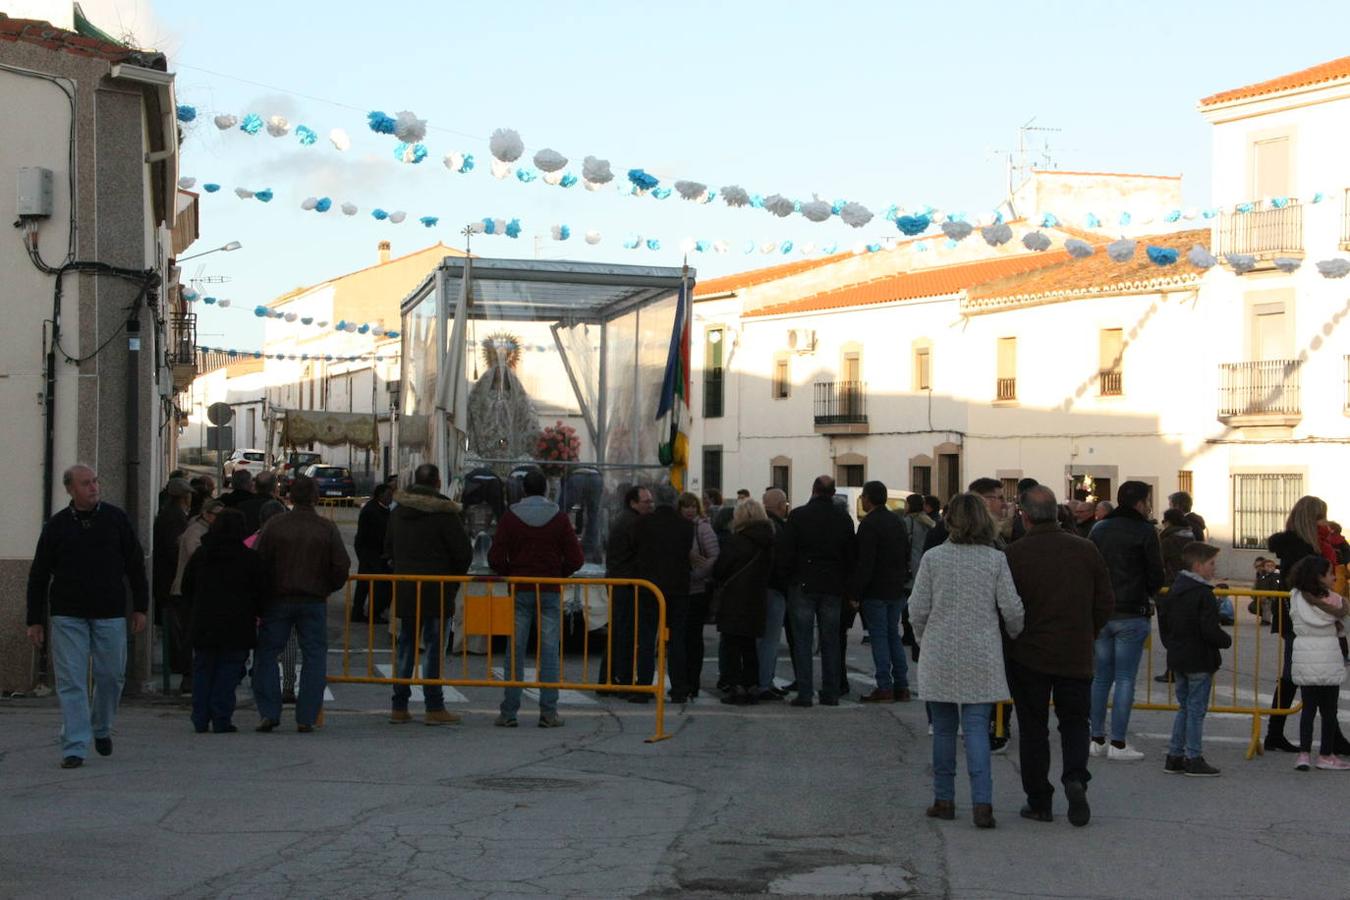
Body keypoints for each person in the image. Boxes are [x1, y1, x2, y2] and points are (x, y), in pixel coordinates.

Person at [910, 493, 1025, 829]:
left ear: (950, 521)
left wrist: (922, 638)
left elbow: (917, 609)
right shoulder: (994, 561)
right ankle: (982, 804)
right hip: (981, 652)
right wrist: (1014, 634)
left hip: (940, 651)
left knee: (944, 730)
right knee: (976, 729)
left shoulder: (933, 558)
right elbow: (1012, 608)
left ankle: (944, 799)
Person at [25, 465, 149, 769]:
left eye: (95, 481)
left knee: (110, 676)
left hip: (109, 612)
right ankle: (75, 746)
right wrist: (34, 619)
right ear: (70, 489)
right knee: (72, 681)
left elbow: (135, 565)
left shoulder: (115, 519)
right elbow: (39, 574)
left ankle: (102, 727)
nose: (93, 487)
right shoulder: (56, 526)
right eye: (86, 483)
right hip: (68, 613)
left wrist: (141, 607)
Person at [1005, 485, 1113, 826]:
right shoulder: (1086, 549)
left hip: (1028, 654)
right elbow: (1105, 602)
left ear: (1024, 515)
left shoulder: (1014, 554)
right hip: (1075, 652)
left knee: (1033, 728)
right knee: (1075, 723)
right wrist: (1088, 631)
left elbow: (1006, 606)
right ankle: (1075, 777)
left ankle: (1039, 800)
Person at [252, 475, 350, 733]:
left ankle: (269, 712)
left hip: (278, 599)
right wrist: (326, 587)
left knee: (267, 655)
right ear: (316, 497)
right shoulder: (325, 528)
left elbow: (259, 561)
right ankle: (306, 716)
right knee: (314, 657)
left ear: (289, 497)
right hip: (313, 600)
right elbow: (341, 566)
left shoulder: (275, 525)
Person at [489, 469, 584, 728]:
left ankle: (509, 712)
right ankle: (548, 712)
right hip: (550, 589)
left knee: (515, 650)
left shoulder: (510, 518)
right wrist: (559, 573)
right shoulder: (560, 518)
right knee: (550, 651)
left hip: (520, 588)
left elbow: (495, 558)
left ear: (523, 490)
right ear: (546, 490)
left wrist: (511, 573)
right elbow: (576, 558)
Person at [384, 464, 472, 726]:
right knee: (434, 647)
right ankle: (434, 706)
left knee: (406, 646)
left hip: (407, 587)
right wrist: (453, 580)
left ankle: (399, 706)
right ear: (438, 482)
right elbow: (463, 552)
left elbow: (387, 548)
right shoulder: (444, 513)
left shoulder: (398, 512)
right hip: (437, 588)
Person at [1265, 495, 1350, 755]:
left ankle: (1275, 733)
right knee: (1313, 677)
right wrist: (1333, 610)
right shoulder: (1302, 548)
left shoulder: (1308, 543)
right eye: (1321, 517)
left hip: (1304, 618)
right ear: (1312, 518)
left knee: (1297, 676)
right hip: (1305, 619)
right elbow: (1307, 585)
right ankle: (1330, 739)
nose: (1325, 521)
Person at [1088, 480, 1164, 761]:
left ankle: (1096, 738)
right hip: (1132, 612)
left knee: (1100, 678)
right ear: (1140, 503)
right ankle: (1118, 743)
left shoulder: (1100, 528)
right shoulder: (1146, 531)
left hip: (1102, 612)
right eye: (1148, 500)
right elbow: (1156, 575)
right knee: (1124, 680)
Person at [181, 508, 267, 734]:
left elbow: (186, 587)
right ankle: (221, 717)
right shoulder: (249, 558)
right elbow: (260, 592)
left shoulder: (202, 555)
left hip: (204, 622)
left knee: (203, 670)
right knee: (228, 672)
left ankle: (200, 717)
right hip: (237, 624)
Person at [778, 475, 856, 708]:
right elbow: (851, 555)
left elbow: (786, 551)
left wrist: (788, 578)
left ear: (813, 490)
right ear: (833, 493)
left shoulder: (799, 516)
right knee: (830, 640)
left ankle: (804, 692)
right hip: (832, 585)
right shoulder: (843, 519)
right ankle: (830, 692)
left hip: (803, 583)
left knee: (802, 640)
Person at [1158, 542, 1230, 777]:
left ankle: (1175, 755)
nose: (1214, 568)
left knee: (1185, 707)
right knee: (1196, 710)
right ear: (1198, 566)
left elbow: (1165, 624)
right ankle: (1193, 756)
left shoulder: (1175, 590)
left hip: (1178, 656)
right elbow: (1208, 629)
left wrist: (1173, 645)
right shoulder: (1203, 594)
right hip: (1199, 657)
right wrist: (1224, 640)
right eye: (1211, 564)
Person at [1286, 555, 1350, 771]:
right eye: (1330, 573)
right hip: (1328, 656)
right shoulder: (1335, 600)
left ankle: (1303, 754)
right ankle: (1326, 754)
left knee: (1308, 709)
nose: (1334, 577)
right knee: (1329, 711)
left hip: (1304, 656)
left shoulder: (1295, 597)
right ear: (1320, 577)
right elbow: (1343, 623)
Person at [634, 485, 695, 702]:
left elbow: (637, 550)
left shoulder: (643, 523)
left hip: (650, 586)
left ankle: (643, 687)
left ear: (656, 500)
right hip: (678, 587)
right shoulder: (687, 527)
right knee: (677, 639)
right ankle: (679, 688)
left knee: (647, 637)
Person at [853, 481, 911, 703]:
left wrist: (856, 593)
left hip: (876, 589)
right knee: (893, 635)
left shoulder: (869, 525)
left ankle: (884, 686)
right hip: (895, 588)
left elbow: (865, 562)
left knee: (879, 638)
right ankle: (902, 685)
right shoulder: (897, 522)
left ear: (869, 498)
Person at [712, 499, 774, 704]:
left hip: (734, 599)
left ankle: (736, 687)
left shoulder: (735, 541)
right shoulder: (769, 539)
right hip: (757, 599)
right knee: (749, 647)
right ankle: (752, 685)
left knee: (731, 646)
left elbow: (720, 570)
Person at [605, 485, 654, 693]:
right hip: (627, 584)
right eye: (646, 502)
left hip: (619, 581)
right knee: (625, 634)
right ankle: (622, 680)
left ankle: (608, 679)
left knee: (619, 632)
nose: (651, 505)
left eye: (651, 501)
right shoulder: (634, 523)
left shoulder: (624, 519)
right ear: (633, 503)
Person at [152, 477, 194, 695]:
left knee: (176, 627)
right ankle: (181, 666)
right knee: (178, 627)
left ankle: (180, 664)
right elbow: (175, 549)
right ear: (183, 497)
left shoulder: (169, 514)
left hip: (166, 579)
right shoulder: (174, 518)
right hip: (171, 581)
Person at [678, 492, 719, 699]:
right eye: (686, 506)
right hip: (680, 589)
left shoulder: (702, 527)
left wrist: (697, 574)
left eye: (693, 506)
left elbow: (713, 556)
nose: (690, 510)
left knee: (693, 638)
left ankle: (692, 682)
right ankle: (681, 680)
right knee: (680, 638)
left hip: (698, 589)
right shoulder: (678, 527)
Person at [756, 488, 793, 701]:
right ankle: (765, 682)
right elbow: (782, 562)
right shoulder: (778, 528)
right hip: (775, 589)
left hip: (759, 588)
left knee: (762, 639)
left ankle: (764, 680)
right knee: (770, 640)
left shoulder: (757, 525)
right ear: (781, 506)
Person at [352, 484, 394, 623]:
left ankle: (362, 612)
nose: (391, 498)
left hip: (374, 553)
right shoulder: (371, 511)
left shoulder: (383, 510)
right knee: (374, 585)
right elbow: (368, 535)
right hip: (371, 553)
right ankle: (371, 614)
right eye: (388, 495)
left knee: (367, 585)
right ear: (380, 495)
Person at [899, 494, 934, 656]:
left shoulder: (909, 522)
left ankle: (909, 634)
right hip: (926, 564)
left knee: (909, 602)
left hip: (913, 566)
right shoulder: (929, 521)